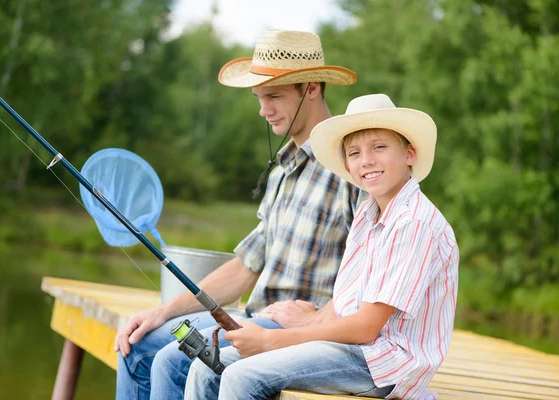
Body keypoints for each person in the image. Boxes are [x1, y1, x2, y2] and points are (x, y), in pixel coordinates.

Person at [115, 29, 362, 400]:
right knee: (140, 343)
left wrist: (315, 319)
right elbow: (246, 265)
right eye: (259, 98)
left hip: (303, 334)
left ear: (311, 88)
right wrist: (163, 311)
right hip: (252, 318)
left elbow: (374, 270)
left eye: (274, 96)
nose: (264, 110)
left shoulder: (351, 166)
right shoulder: (282, 172)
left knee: (174, 359)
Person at [184, 93, 460, 400]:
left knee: (241, 376)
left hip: (384, 364)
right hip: (352, 350)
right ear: (346, 164)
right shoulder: (370, 213)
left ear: (409, 153)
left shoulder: (413, 222)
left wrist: (271, 341)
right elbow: (348, 302)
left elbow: (367, 327)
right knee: (207, 366)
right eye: (354, 153)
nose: (366, 160)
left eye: (379, 147)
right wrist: (304, 322)